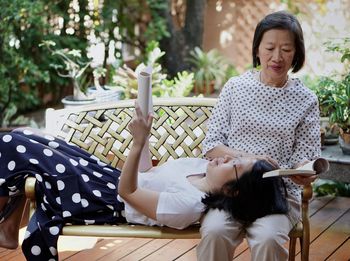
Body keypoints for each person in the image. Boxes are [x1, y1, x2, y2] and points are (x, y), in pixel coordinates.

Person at [0, 104, 288, 260]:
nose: (225, 157)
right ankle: (10, 227)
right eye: (233, 156)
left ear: (233, 190)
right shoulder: (198, 167)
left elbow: (128, 192)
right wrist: (145, 137)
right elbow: (147, 173)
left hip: (103, 199)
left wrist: (138, 143)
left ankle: (7, 227)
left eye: (233, 164)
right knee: (29, 134)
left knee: (14, 143)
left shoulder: (186, 206)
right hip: (106, 179)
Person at [196, 10, 321, 261]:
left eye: (286, 49)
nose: (277, 57)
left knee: (268, 240)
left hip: (278, 193)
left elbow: (303, 157)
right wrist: (252, 158)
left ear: (296, 53)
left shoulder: (306, 99)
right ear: (257, 50)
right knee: (215, 231)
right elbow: (211, 146)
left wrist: (303, 172)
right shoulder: (235, 88)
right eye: (270, 48)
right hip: (232, 190)